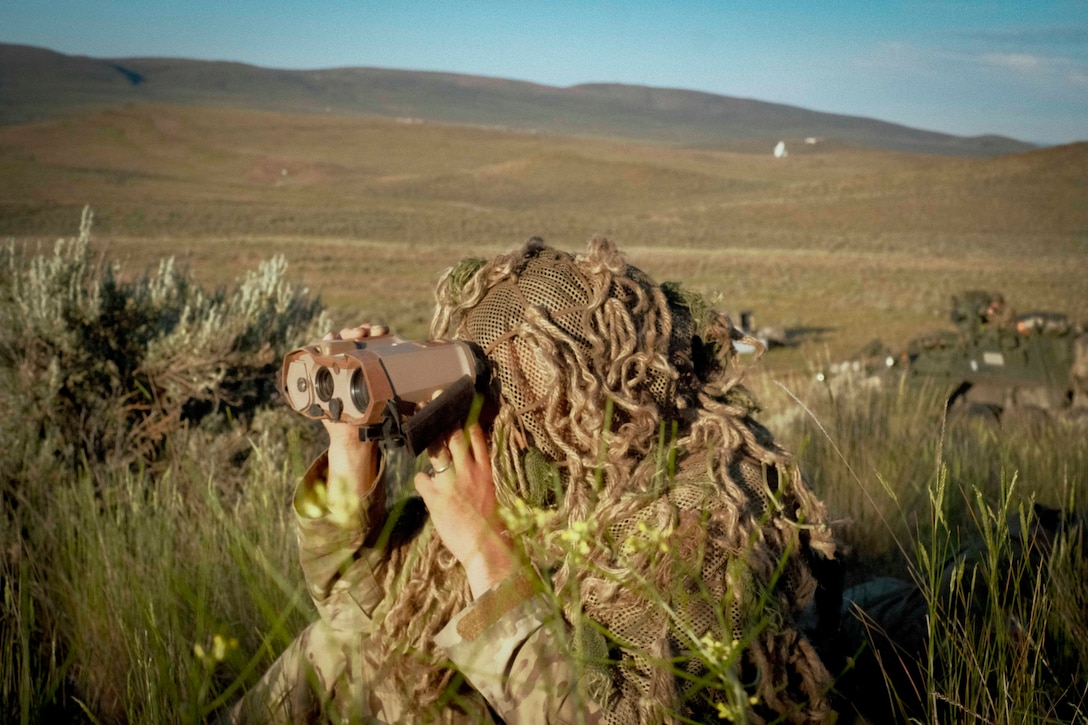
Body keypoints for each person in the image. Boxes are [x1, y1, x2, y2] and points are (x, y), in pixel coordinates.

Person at [231, 237, 841, 723]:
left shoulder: (701, 510)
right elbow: (352, 605)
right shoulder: (531, 477)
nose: (493, 419)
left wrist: (487, 557)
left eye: (515, 396)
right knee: (336, 650)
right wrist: (349, 442)